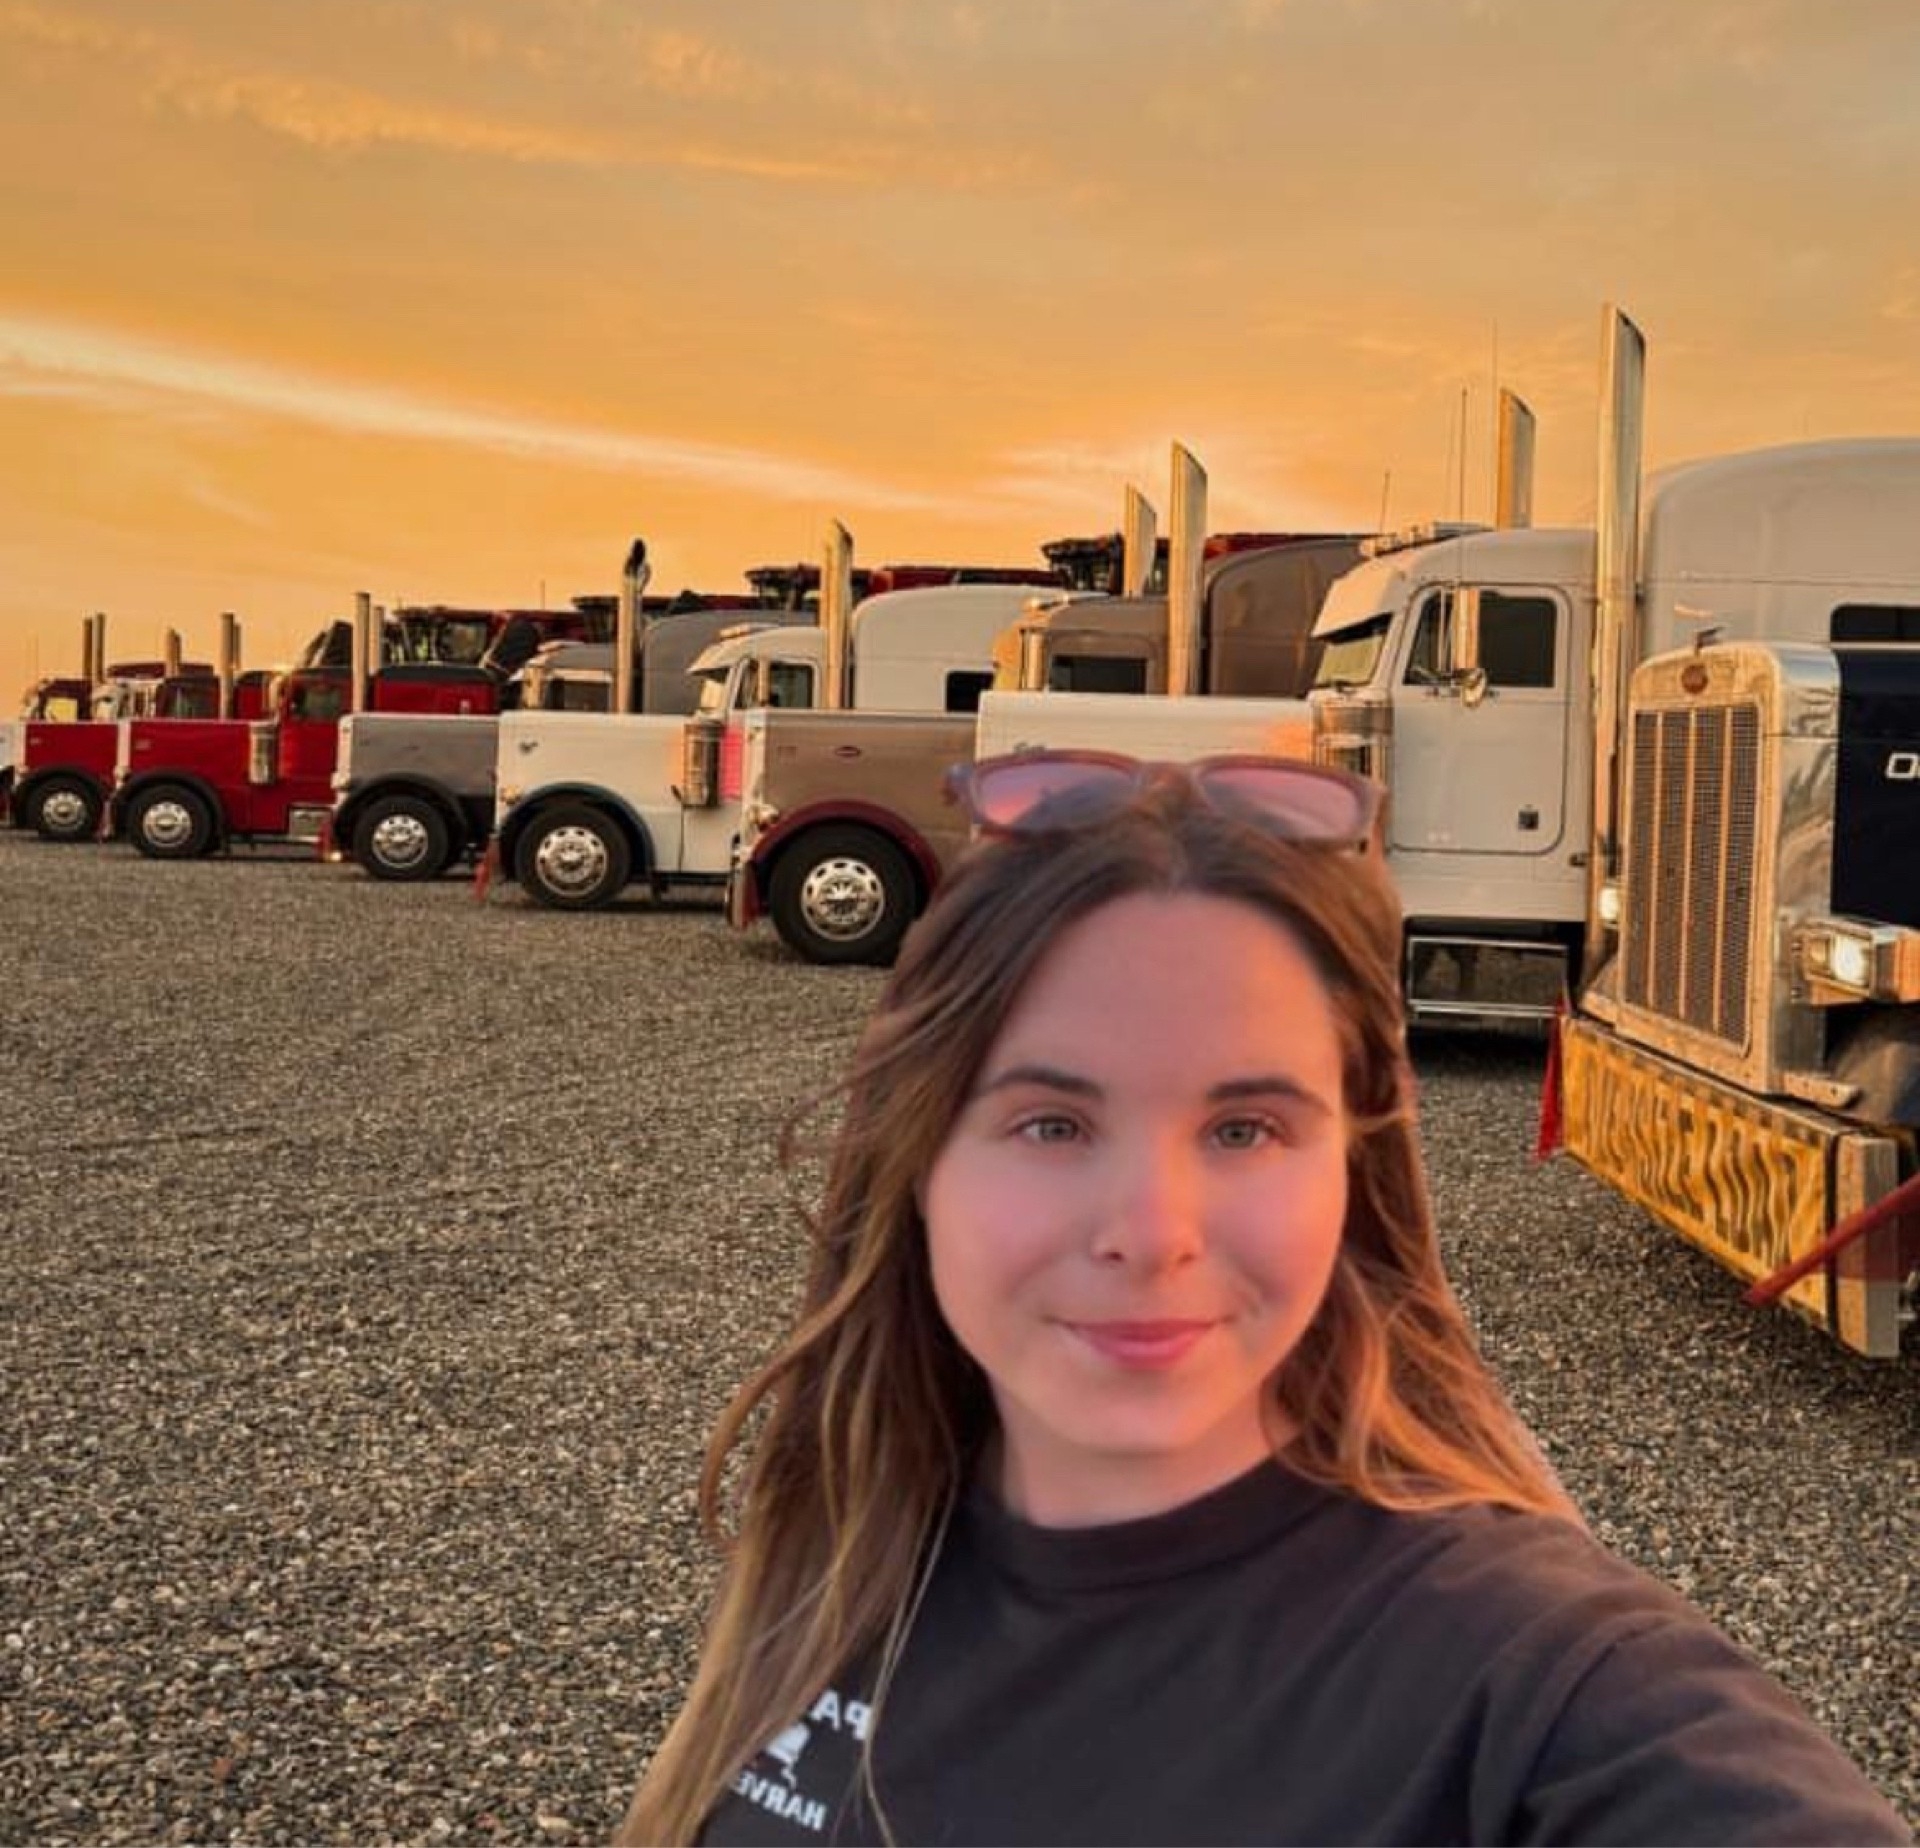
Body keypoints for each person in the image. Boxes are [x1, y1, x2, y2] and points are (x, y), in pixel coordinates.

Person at [620, 751, 1911, 1847]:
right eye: (1053, 1123)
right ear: (917, 1164)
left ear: (1353, 1171)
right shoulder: (845, 1553)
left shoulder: (1547, 1688)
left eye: (1244, 1129)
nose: (1151, 1235)